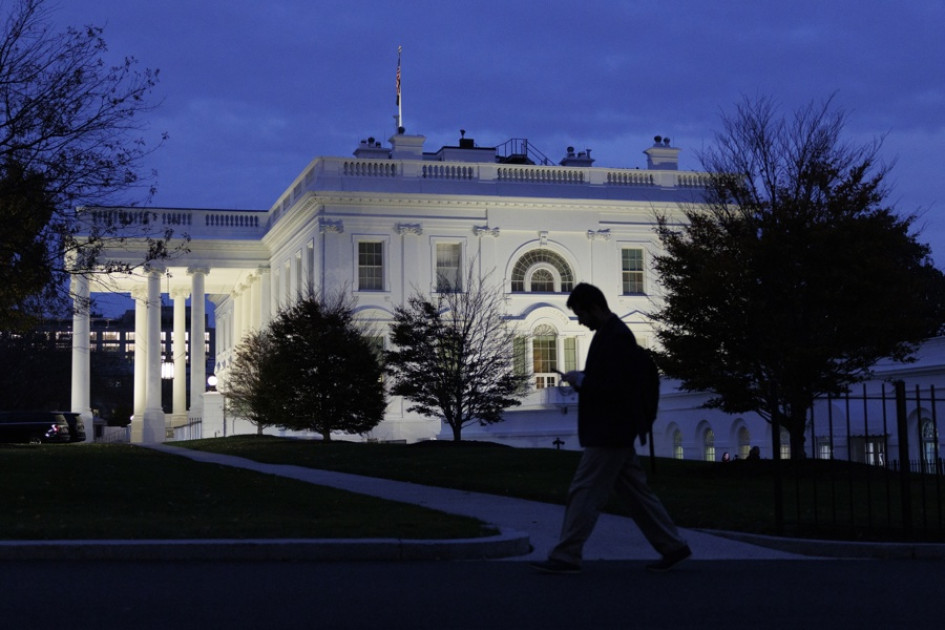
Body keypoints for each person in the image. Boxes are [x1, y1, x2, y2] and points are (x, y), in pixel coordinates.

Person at [530, 283, 691, 574]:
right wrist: (583, 378)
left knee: (584, 490)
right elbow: (612, 381)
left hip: (609, 430)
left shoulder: (616, 337)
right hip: (616, 429)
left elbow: (616, 388)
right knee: (636, 493)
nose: (581, 321)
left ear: (594, 308)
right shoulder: (613, 334)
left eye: (581, 314)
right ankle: (672, 545)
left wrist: (583, 381)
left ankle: (566, 554)